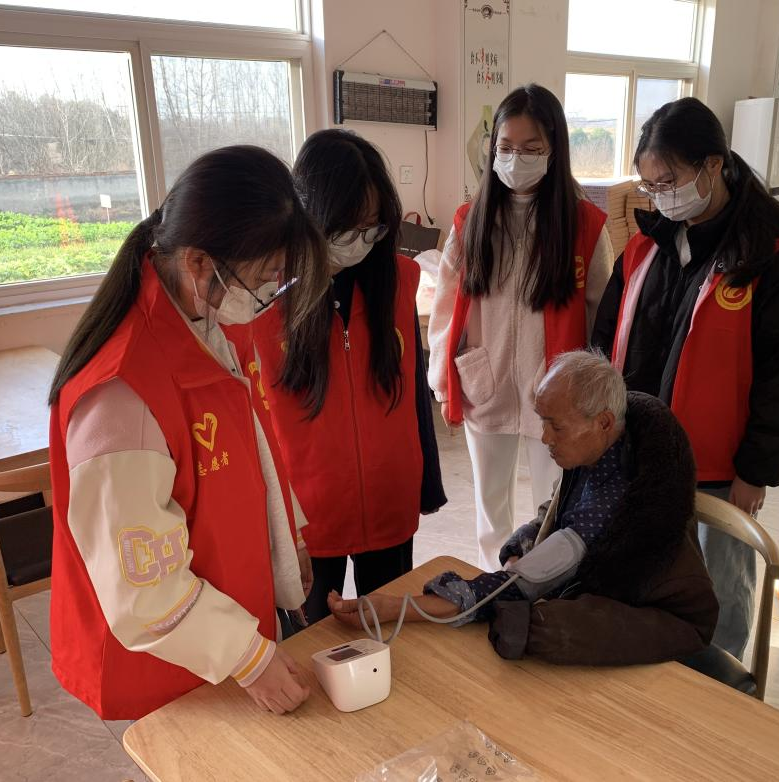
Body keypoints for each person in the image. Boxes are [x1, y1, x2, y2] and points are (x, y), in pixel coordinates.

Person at [47, 146, 329, 720]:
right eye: (263, 280)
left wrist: (286, 536)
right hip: (170, 658)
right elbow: (142, 595)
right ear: (200, 262)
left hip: (223, 624)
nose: (266, 298)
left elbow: (254, 446)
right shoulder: (122, 394)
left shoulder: (207, 317)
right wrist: (248, 658)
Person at [590, 97, 779, 659]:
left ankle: (722, 686)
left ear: (713, 165)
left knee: (721, 592)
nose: (660, 197)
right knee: (647, 575)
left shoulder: (770, 257)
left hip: (718, 469)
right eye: (650, 186)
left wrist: (757, 470)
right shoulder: (644, 248)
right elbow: (605, 340)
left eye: (669, 182)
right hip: (641, 453)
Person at [330, 350, 718, 666]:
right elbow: (556, 509)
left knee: (535, 629)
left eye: (556, 426)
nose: (544, 437)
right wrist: (523, 544)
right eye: (543, 422)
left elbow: (504, 590)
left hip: (665, 621)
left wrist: (392, 607)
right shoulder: (613, 443)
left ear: (602, 422)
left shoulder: (607, 503)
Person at [253, 129, 446, 624]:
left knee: (391, 636)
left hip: (389, 502)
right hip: (309, 516)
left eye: (372, 228)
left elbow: (412, 394)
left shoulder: (398, 282)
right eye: (346, 228)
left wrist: (426, 484)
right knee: (314, 645)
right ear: (309, 218)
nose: (360, 242)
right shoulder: (265, 300)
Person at [428, 84, 615, 571]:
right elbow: (446, 307)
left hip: (555, 393)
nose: (516, 159)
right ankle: (495, 585)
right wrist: (442, 381)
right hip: (484, 381)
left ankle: (546, 586)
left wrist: (596, 395)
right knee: (491, 512)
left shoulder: (584, 225)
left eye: (531, 149)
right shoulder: (470, 221)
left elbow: (601, 313)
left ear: (555, 151)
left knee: (555, 507)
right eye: (506, 148)